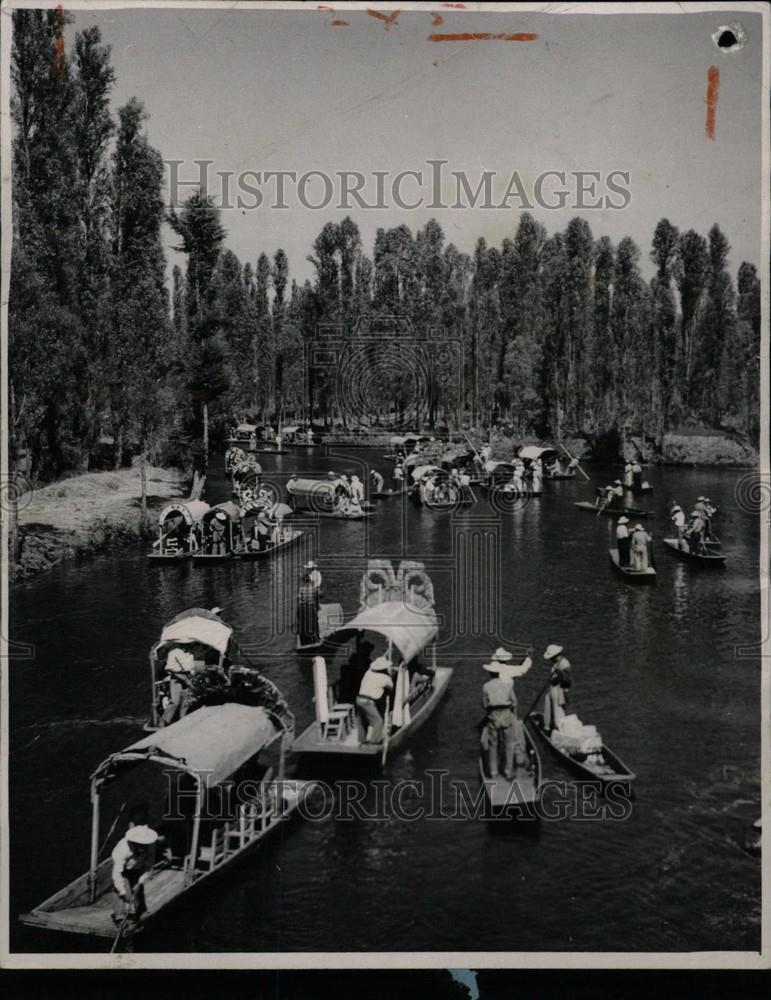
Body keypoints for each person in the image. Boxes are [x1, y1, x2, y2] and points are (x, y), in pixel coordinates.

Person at [481, 648, 528, 779]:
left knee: (493, 745)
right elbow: (514, 701)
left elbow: (485, 704)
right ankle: (508, 771)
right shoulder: (508, 685)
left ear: (490, 673)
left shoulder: (486, 686)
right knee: (509, 744)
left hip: (494, 717)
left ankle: (493, 772)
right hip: (506, 715)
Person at [111, 824, 159, 926]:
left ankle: (141, 912)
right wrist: (124, 893)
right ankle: (119, 917)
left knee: (138, 889)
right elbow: (117, 874)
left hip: (137, 867)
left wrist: (140, 881)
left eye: (144, 844)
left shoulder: (151, 846)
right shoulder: (123, 848)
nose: (142, 846)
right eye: (140, 844)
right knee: (120, 889)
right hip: (122, 869)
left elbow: (149, 866)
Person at [356, 656, 394, 744]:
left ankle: (362, 740)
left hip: (358, 699)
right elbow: (391, 687)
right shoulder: (385, 678)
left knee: (362, 721)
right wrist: (389, 674)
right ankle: (374, 742)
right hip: (367, 701)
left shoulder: (368, 672)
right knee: (378, 721)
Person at [160, 646, 196, 726]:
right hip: (176, 678)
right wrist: (183, 678)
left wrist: (190, 678)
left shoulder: (191, 654)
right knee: (175, 702)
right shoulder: (173, 653)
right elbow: (169, 668)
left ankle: (182, 721)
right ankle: (164, 721)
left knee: (186, 702)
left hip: (187, 677)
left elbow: (191, 669)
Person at [543, 644, 571, 732]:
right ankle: (548, 727)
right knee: (549, 707)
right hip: (552, 688)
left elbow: (567, 679)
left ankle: (559, 729)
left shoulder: (564, 663)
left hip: (558, 689)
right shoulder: (557, 663)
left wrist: (558, 674)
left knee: (557, 710)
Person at [297, 572, 320, 646]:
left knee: (303, 623)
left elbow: (299, 599)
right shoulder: (313, 588)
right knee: (314, 622)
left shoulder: (301, 589)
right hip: (310, 607)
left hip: (303, 608)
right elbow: (319, 595)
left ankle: (304, 639)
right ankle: (316, 638)